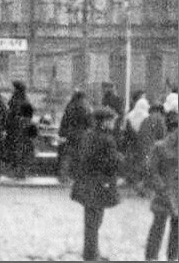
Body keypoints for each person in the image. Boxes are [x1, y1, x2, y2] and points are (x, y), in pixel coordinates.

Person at [73, 105, 123, 261]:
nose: (114, 123)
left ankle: (92, 252)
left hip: (86, 182)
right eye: (112, 120)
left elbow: (83, 157)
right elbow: (110, 162)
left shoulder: (88, 135)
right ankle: (91, 255)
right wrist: (119, 159)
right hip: (99, 184)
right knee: (95, 221)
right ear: (104, 122)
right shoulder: (107, 139)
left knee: (91, 221)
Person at [143, 107, 178, 261]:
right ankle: (151, 257)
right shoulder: (159, 147)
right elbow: (151, 170)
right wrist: (162, 187)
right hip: (164, 193)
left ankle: (172, 258)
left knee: (176, 230)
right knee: (158, 227)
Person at [4, 81, 37, 180]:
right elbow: (30, 116)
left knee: (15, 151)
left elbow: (10, 116)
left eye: (13, 88)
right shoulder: (26, 101)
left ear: (16, 89)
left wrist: (7, 126)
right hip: (24, 130)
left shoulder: (14, 101)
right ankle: (21, 173)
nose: (12, 90)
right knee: (23, 152)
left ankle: (16, 173)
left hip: (15, 130)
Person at [60, 90, 93, 184]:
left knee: (68, 155)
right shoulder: (85, 107)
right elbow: (90, 122)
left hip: (70, 134)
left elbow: (64, 120)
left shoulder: (69, 106)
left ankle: (64, 176)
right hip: (81, 134)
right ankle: (77, 176)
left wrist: (63, 132)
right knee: (79, 155)